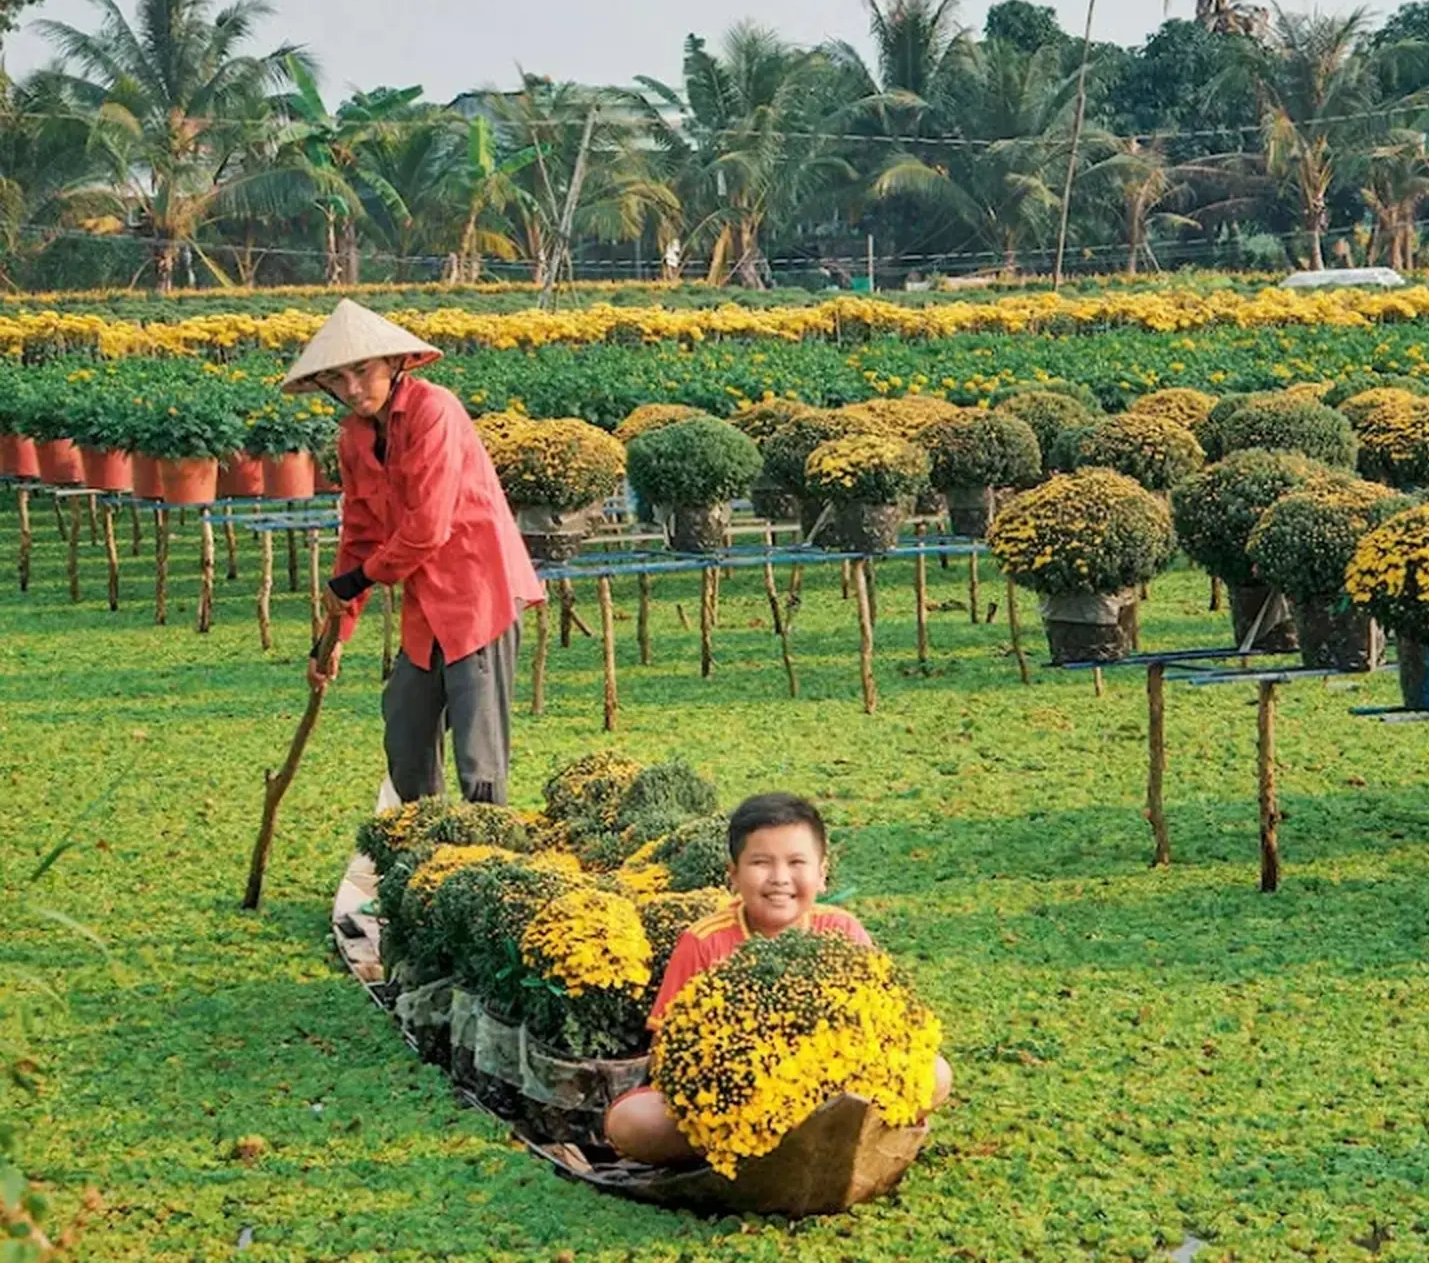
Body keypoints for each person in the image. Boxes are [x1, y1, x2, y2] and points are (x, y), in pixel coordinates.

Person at [283, 299, 544, 805]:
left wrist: (358, 580)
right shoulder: (354, 438)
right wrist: (333, 636)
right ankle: (427, 851)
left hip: (479, 593)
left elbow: (428, 528)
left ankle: (482, 860)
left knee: (479, 761)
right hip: (426, 606)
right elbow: (359, 534)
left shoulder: (434, 411)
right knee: (405, 736)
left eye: (362, 371)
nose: (353, 388)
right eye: (337, 379)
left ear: (395, 363)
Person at [604, 793, 954, 1165]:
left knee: (936, 1073)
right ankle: (765, 1146)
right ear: (733, 875)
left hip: (834, 1091)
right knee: (630, 1122)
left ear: (822, 873)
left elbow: (888, 1026)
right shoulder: (704, 941)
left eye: (796, 862)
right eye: (761, 863)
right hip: (733, 1104)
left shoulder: (841, 930)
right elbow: (665, 1052)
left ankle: (784, 1148)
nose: (780, 878)